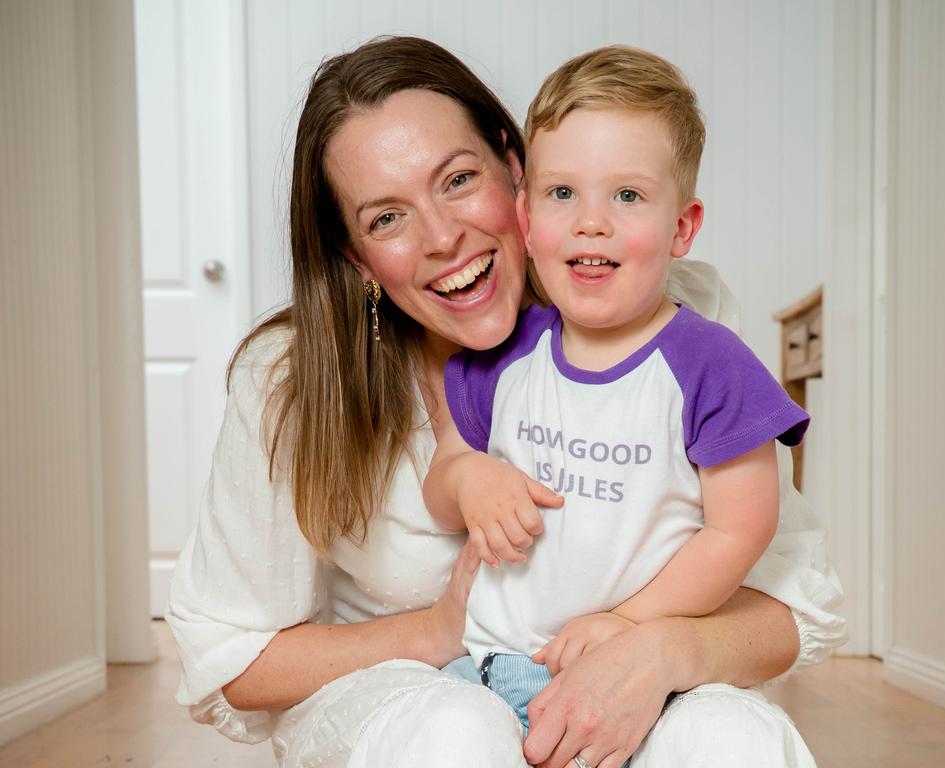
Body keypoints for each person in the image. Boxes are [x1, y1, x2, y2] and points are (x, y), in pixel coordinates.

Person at [166, 35, 846, 768]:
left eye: (457, 180)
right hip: (413, 700)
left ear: (514, 174)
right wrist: (432, 632)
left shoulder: (683, 333)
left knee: (732, 741)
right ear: (357, 256)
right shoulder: (293, 381)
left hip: (627, 674)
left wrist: (659, 648)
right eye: (386, 218)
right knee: (453, 733)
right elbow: (230, 658)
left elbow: (794, 597)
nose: (443, 237)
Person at [425, 44, 812, 753]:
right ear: (526, 219)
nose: (591, 221)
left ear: (682, 228)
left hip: (644, 684)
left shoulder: (711, 365)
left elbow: (740, 529)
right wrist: (470, 478)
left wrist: (633, 623)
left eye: (627, 195)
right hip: (488, 665)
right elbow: (442, 477)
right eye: (563, 193)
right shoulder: (506, 356)